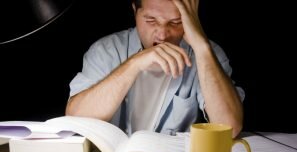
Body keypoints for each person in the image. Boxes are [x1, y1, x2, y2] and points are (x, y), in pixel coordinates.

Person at [65, 0, 245, 138]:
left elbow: (230, 127)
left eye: (176, 22)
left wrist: (202, 47)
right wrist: (134, 64)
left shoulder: (208, 55)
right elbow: (76, 118)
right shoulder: (106, 51)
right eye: (151, 20)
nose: (162, 35)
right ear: (135, 11)